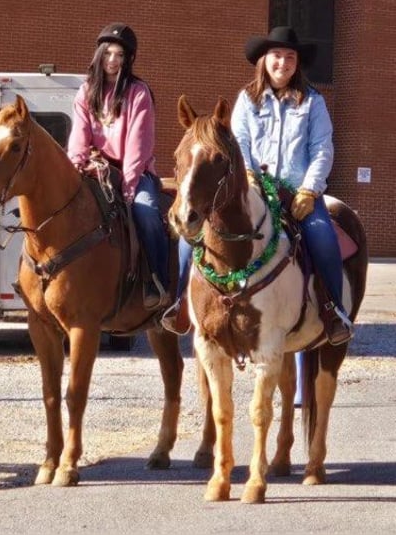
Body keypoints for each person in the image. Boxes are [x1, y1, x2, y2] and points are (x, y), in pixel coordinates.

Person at [161, 26, 353, 347]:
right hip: (253, 189)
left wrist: (310, 189)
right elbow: (239, 144)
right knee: (191, 237)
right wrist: (248, 176)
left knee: (323, 236)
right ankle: (178, 302)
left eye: (290, 57)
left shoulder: (313, 102)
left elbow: (322, 149)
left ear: (297, 63)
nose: (283, 62)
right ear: (263, 61)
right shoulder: (246, 100)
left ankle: (334, 311)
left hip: (297, 193)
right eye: (276, 56)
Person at [67, 22, 170, 308]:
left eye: (120, 55)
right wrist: (75, 164)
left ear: (128, 60)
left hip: (134, 171)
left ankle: (157, 280)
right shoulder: (86, 91)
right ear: (99, 55)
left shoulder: (139, 92)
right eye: (108, 53)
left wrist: (130, 181)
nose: (113, 60)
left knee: (146, 210)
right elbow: (79, 134)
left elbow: (139, 141)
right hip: (97, 168)